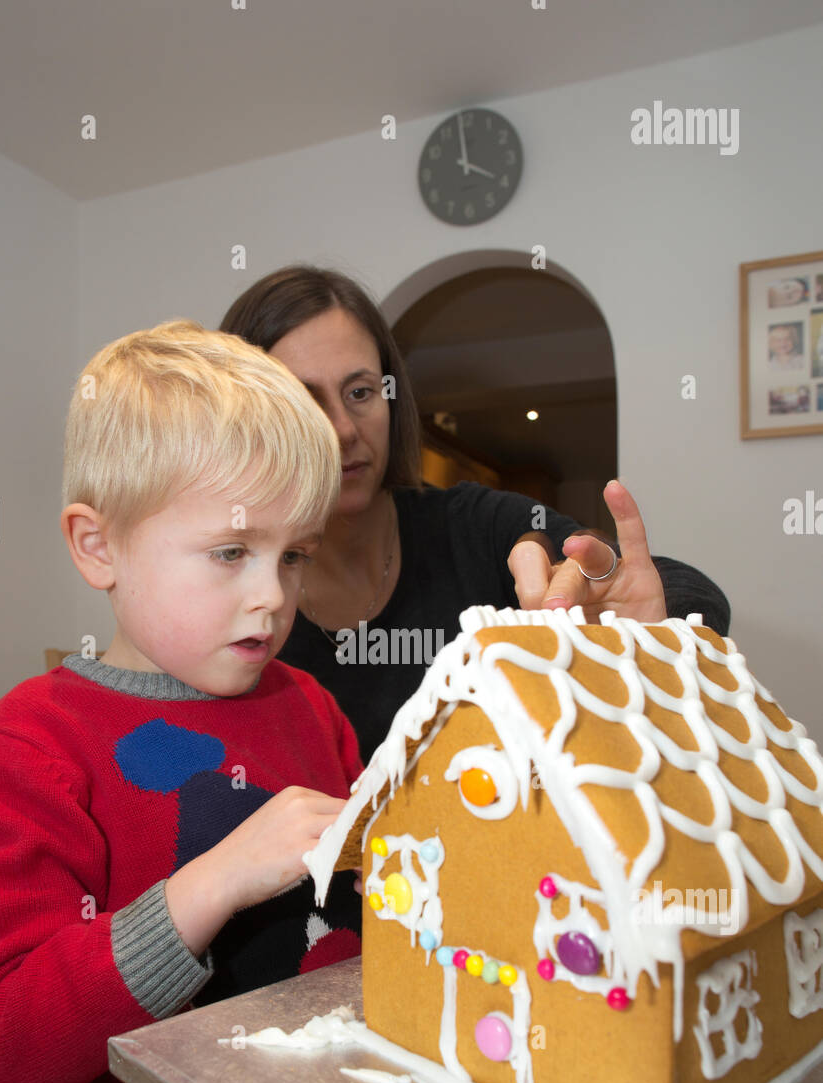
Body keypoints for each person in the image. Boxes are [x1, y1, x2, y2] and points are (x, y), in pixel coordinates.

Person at [0, 321, 363, 1083]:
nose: (272, 597)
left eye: (292, 556)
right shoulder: (32, 744)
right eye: (230, 553)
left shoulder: (313, 708)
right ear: (99, 547)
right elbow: (0, 1052)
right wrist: (209, 885)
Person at [220, 266, 731, 761]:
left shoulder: (473, 525)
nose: (345, 430)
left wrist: (644, 629)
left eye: (360, 392)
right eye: (305, 403)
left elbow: (684, 592)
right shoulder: (220, 582)